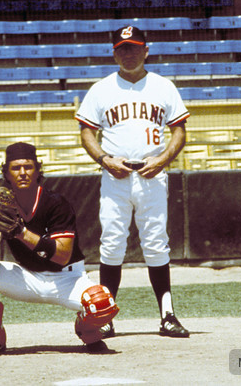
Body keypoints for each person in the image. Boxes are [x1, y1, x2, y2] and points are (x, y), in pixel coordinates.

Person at [75, 26, 190, 339]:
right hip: (116, 177)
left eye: (134, 47)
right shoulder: (101, 89)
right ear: (114, 52)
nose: (129, 53)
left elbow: (179, 130)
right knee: (112, 244)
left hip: (152, 175)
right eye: (122, 48)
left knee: (156, 243)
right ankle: (105, 316)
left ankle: (167, 315)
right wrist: (104, 160)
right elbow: (87, 132)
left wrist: (163, 159)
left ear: (146, 50)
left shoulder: (163, 86)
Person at [0, 142, 119, 358]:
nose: (23, 173)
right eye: (16, 168)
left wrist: (20, 232)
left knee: (102, 303)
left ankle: (88, 331)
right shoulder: (3, 204)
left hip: (67, 278)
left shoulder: (56, 202)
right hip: (27, 277)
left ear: (38, 170)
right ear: (6, 173)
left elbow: (62, 256)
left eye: (28, 167)